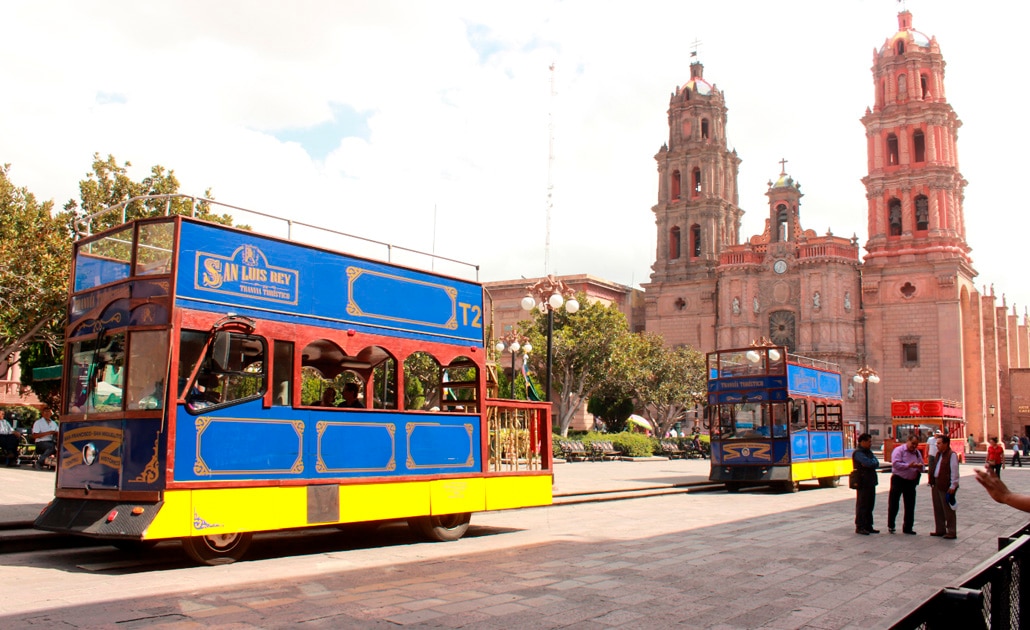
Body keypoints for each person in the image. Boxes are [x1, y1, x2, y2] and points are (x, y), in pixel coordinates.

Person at [887, 433, 924, 535]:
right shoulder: (899, 450)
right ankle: (891, 525)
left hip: (911, 481)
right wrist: (908, 466)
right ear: (908, 441)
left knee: (910, 504)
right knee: (894, 503)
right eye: (913, 443)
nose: (914, 446)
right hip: (898, 479)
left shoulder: (917, 453)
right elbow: (895, 464)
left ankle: (908, 527)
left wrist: (919, 467)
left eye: (916, 444)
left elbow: (922, 466)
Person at [928, 434, 959, 539]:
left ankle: (951, 531)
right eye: (936, 443)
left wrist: (953, 485)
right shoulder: (938, 454)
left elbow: (954, 471)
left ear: (946, 444)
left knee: (948, 509)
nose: (937, 445)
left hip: (946, 484)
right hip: (936, 483)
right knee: (938, 507)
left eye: (939, 443)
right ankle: (940, 529)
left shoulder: (952, 455)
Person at [852, 433, 880, 535]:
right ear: (862, 442)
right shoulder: (858, 453)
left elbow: (876, 463)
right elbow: (868, 463)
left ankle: (868, 525)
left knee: (870, 504)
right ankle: (860, 526)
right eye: (869, 441)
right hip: (863, 482)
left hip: (870, 481)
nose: (870, 443)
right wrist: (871, 463)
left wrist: (871, 463)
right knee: (862, 504)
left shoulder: (868, 452)